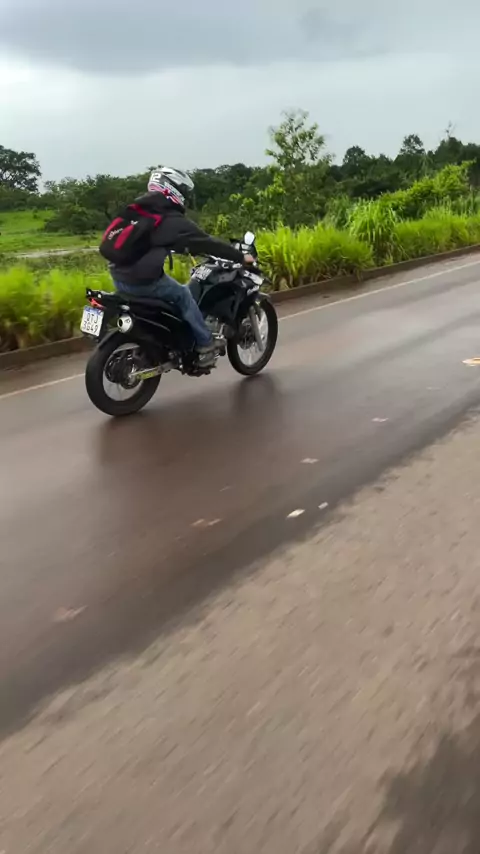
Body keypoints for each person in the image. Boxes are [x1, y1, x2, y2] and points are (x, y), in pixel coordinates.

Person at [109, 166, 255, 367]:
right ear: (172, 189)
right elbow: (208, 243)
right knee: (183, 295)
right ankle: (205, 343)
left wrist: (181, 247)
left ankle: (170, 340)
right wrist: (241, 257)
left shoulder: (138, 210)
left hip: (118, 277)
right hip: (142, 281)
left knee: (171, 296)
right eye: (183, 190)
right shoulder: (172, 220)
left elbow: (151, 242)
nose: (185, 195)